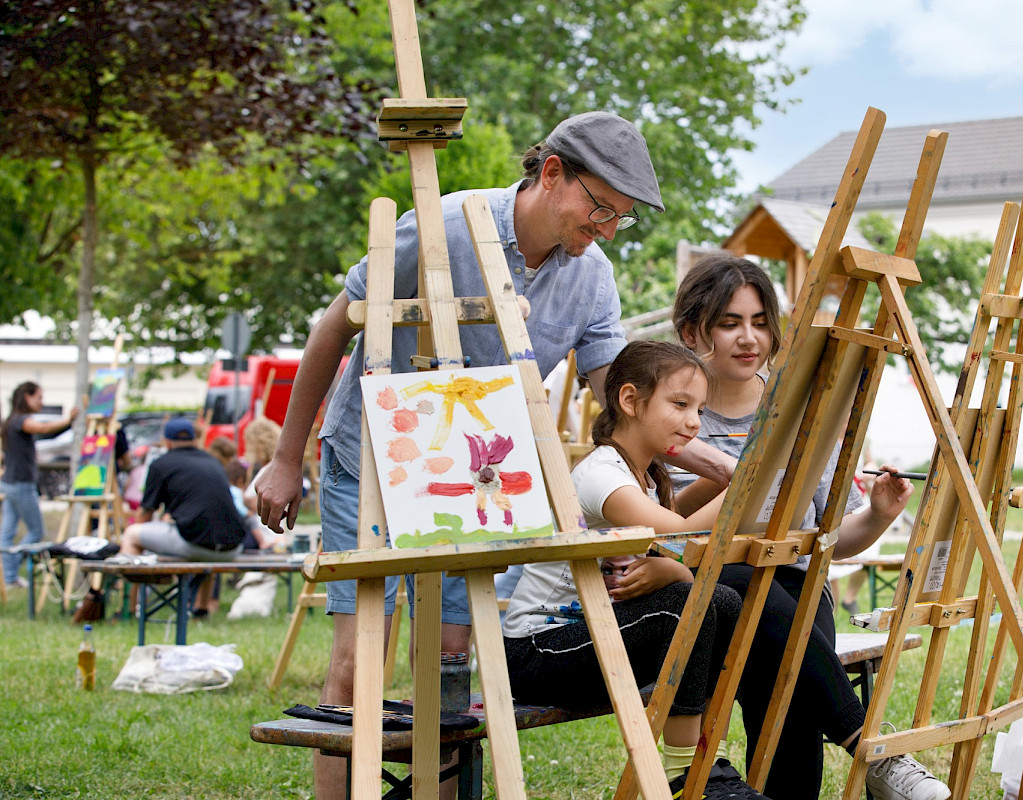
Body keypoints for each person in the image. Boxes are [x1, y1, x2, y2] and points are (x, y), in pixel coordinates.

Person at [254, 111, 709, 798]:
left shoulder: (592, 277)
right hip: (373, 457)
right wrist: (286, 460)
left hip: (478, 477)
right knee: (360, 659)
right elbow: (332, 331)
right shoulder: (441, 226)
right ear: (551, 173)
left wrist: (718, 463)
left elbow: (624, 400)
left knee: (453, 662)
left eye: (622, 217)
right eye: (602, 208)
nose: (609, 228)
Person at [671, 255, 950, 800]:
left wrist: (876, 515)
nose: (749, 338)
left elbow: (827, 543)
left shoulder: (802, 411)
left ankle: (857, 752)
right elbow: (665, 532)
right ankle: (870, 747)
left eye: (759, 321)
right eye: (729, 323)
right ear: (691, 331)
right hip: (702, 593)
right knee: (747, 586)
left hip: (793, 588)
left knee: (788, 639)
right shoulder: (675, 413)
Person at [503, 340, 768, 798]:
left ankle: (706, 758)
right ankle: (683, 773)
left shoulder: (642, 476)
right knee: (690, 603)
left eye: (699, 409)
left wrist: (721, 481)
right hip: (540, 651)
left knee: (722, 600)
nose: (693, 422)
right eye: (680, 404)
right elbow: (680, 540)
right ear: (629, 400)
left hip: (591, 635)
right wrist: (749, 482)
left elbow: (672, 530)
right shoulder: (603, 476)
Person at [118, 417, 244, 564]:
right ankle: (194, 587)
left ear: (167, 441)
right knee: (201, 547)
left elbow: (145, 514)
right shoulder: (213, 462)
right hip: (233, 547)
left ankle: (138, 583)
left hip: (194, 544)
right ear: (194, 439)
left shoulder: (161, 464)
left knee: (131, 535)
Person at [1, 382, 79, 588]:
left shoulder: (11, 420)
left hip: (11, 482)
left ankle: (8, 576)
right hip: (20, 483)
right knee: (36, 531)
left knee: (7, 532)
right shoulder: (20, 420)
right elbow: (43, 427)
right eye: (39, 398)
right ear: (26, 397)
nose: (41, 402)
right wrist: (68, 420)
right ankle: (10, 573)